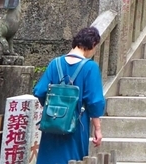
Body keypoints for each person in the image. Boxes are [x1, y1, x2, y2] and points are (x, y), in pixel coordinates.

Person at [34, 26, 106, 164]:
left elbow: (40, 91)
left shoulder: (55, 63)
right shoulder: (90, 67)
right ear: (92, 44)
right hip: (76, 125)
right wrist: (97, 129)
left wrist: (54, 107)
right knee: (72, 159)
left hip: (52, 122)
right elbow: (94, 102)